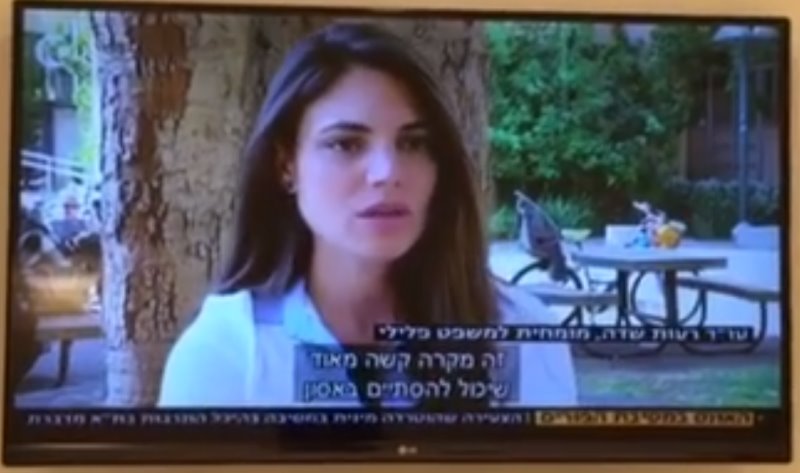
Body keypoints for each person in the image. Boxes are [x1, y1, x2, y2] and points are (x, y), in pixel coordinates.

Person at [158, 22, 577, 409]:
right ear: (287, 166)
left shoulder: (522, 333)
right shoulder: (225, 354)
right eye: (345, 144)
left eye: (412, 144)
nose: (387, 173)